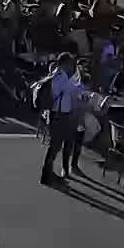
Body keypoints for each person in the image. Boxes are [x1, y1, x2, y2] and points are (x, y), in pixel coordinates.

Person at [34, 53, 89, 185]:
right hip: (60, 116)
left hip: (57, 114)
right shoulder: (61, 77)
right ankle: (46, 176)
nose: (72, 67)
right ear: (65, 64)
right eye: (70, 64)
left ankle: (48, 173)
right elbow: (74, 91)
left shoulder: (56, 75)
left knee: (55, 146)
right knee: (54, 147)